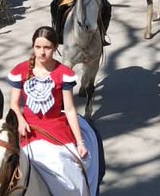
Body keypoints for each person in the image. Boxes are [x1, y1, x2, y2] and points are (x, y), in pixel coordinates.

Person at [7, 26, 97, 196]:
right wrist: (20, 119)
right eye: (38, 47)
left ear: (55, 48)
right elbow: (13, 104)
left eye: (47, 48)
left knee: (63, 166)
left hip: (55, 128)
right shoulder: (21, 70)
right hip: (28, 130)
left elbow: (69, 109)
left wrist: (80, 142)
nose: (42, 52)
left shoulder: (63, 73)